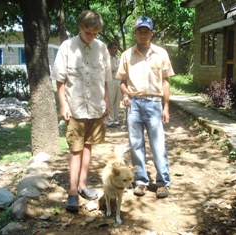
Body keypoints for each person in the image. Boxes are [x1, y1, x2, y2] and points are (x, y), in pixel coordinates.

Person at [51, 10, 111, 212]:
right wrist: (63, 104)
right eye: (88, 32)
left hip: (95, 107)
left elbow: (105, 79)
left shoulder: (101, 48)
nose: (92, 37)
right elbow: (60, 80)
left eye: (95, 33)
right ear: (80, 27)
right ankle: (73, 192)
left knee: (88, 146)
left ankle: (83, 185)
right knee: (75, 149)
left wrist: (107, 102)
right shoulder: (67, 47)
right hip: (75, 107)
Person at [116, 16, 175, 198]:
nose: (143, 35)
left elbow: (165, 82)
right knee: (136, 145)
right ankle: (141, 181)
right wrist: (125, 95)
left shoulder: (161, 54)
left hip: (154, 104)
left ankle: (163, 182)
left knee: (158, 146)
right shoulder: (127, 55)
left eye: (146, 31)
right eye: (139, 32)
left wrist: (166, 107)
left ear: (151, 33)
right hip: (133, 105)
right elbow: (122, 82)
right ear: (135, 33)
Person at [106, 42, 121, 128]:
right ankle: (109, 120)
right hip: (110, 81)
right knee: (110, 101)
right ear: (109, 49)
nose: (116, 50)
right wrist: (117, 68)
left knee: (117, 101)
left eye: (116, 48)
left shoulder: (117, 58)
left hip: (117, 81)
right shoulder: (106, 58)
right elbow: (110, 68)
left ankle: (116, 120)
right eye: (114, 48)